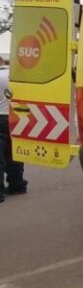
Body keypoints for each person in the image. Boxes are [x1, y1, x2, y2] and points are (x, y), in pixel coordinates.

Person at [0, 59, 28, 203]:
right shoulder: (15, 75)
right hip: (16, 116)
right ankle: (17, 184)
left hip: (0, 117)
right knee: (14, 152)